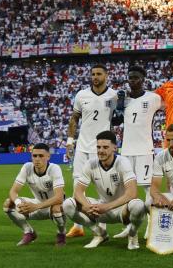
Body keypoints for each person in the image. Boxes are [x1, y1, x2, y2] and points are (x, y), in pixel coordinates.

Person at [62, 130, 146, 250]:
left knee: (138, 205)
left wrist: (107, 207)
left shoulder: (123, 162)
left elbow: (132, 193)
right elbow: (78, 191)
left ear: (114, 148)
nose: (101, 150)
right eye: (98, 147)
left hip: (122, 209)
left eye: (105, 147)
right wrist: (87, 206)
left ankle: (132, 234)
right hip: (100, 209)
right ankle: (99, 233)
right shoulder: (91, 164)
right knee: (68, 204)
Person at [65, 64, 118, 238]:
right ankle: (78, 226)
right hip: (82, 147)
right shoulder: (81, 95)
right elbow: (74, 119)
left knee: (102, 186)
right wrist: (70, 141)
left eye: (99, 74)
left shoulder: (114, 96)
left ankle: (103, 224)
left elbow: (119, 119)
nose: (95, 77)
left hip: (102, 148)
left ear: (106, 76)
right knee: (77, 184)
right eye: (93, 74)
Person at [112, 65, 161, 239]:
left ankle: (151, 226)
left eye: (136, 77)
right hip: (126, 151)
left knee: (149, 190)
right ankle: (130, 227)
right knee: (126, 191)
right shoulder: (123, 99)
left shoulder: (153, 98)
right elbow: (115, 122)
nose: (132, 81)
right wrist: (119, 105)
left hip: (145, 151)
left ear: (143, 79)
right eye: (130, 78)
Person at [2, 143, 67, 247]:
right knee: (8, 203)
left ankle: (61, 233)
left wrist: (36, 207)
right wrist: (18, 204)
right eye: (34, 156)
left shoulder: (54, 168)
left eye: (41, 156)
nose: (37, 159)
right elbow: (13, 191)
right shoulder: (27, 167)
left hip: (53, 206)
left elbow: (59, 198)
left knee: (57, 208)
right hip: (37, 204)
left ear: (48, 157)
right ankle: (29, 232)